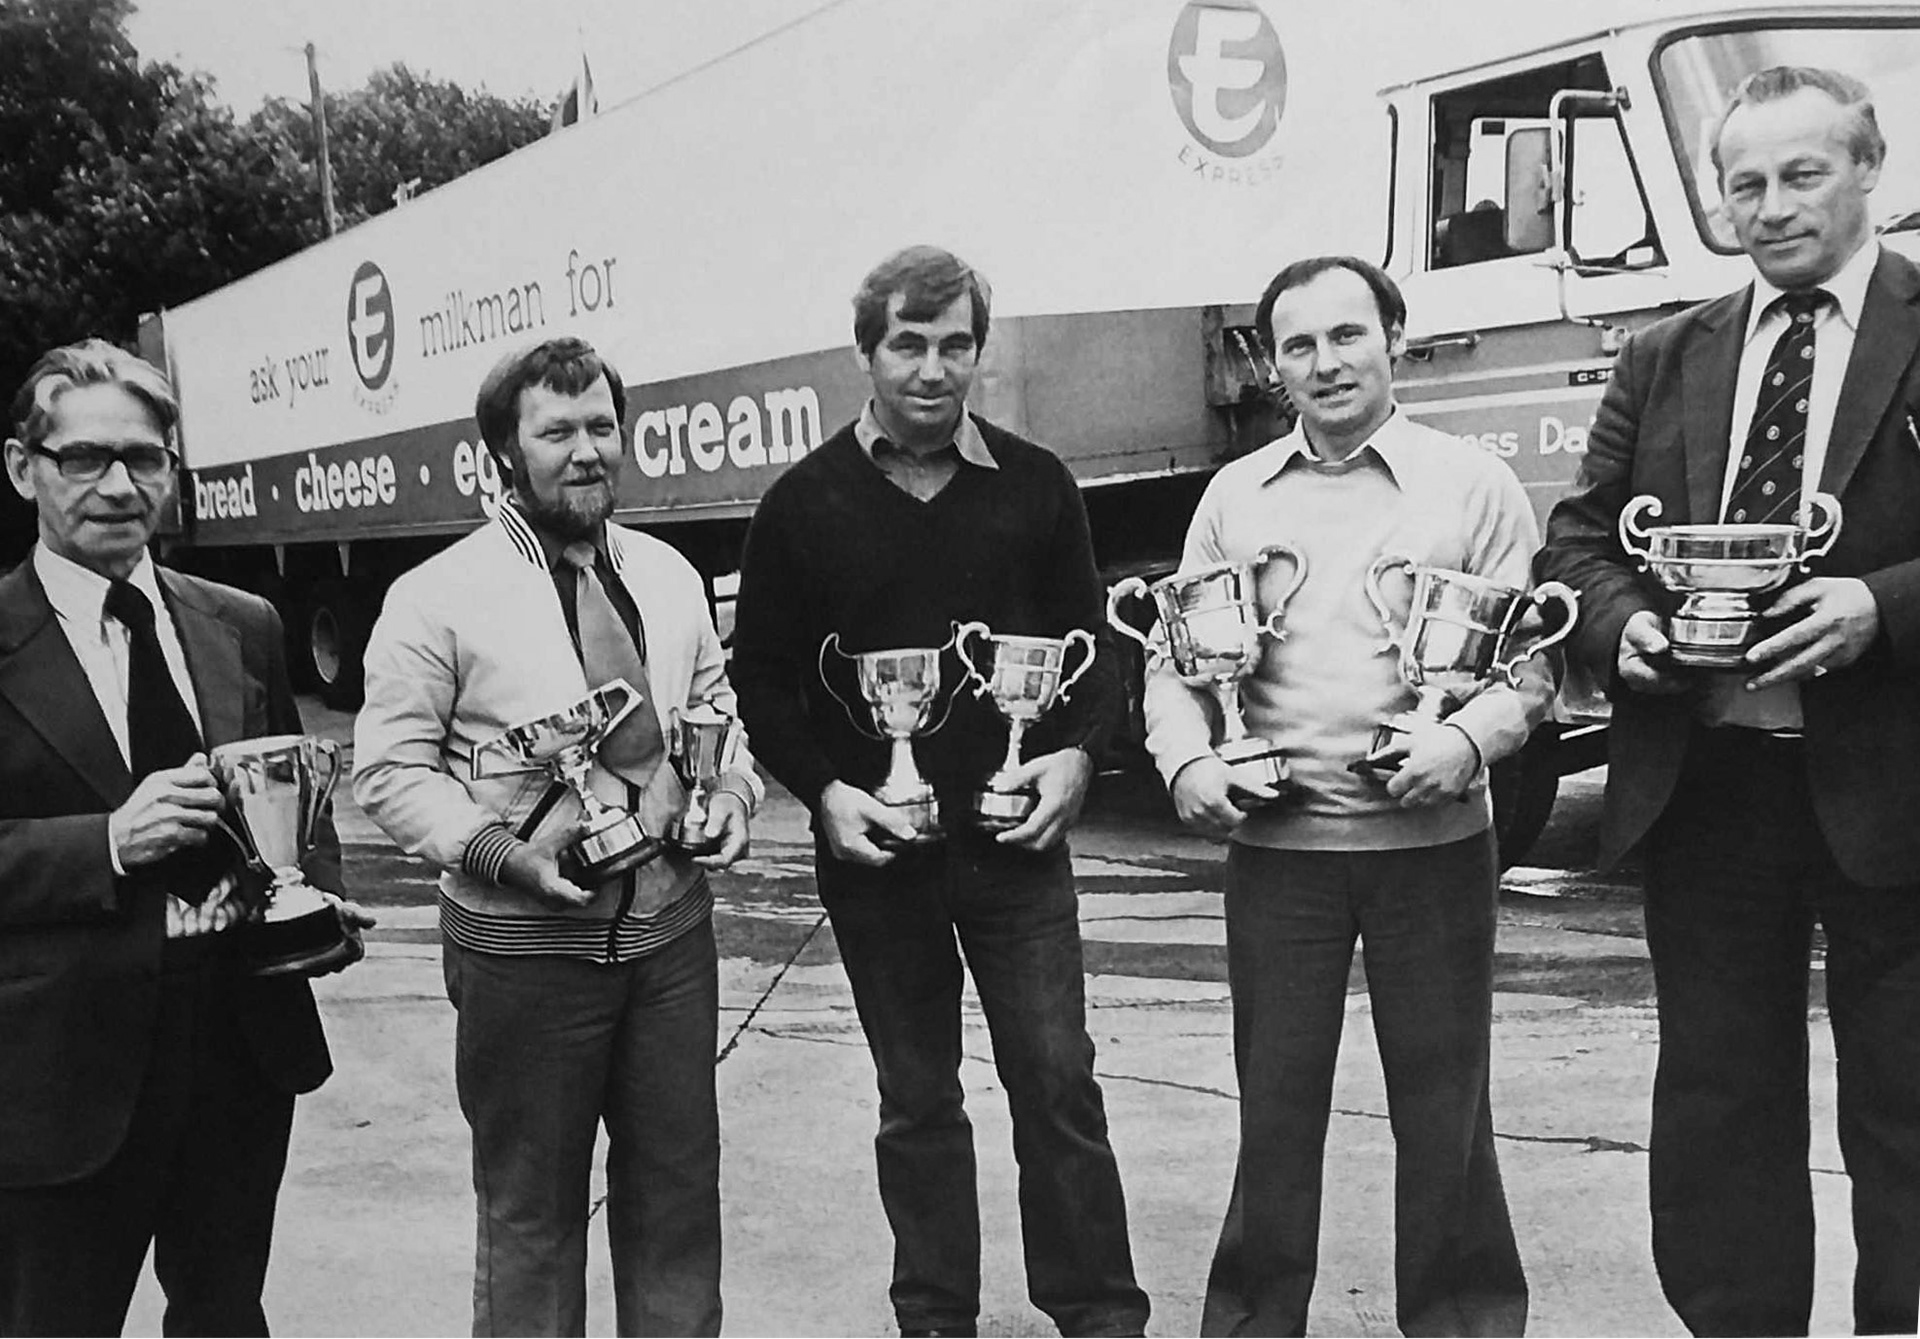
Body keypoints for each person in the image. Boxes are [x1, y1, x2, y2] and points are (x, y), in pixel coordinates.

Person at [1538, 65, 1920, 1335]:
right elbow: (1581, 541)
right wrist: (1626, 626)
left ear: (1871, 168)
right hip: (1710, 791)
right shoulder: (1667, 354)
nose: (1769, 206)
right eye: (1743, 182)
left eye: (1801, 174)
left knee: (1908, 1099)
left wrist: (1884, 605)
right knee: (1718, 1105)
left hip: (1899, 785)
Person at [730, 245, 1150, 1339]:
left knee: (1058, 1084)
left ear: (979, 350)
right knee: (917, 1100)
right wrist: (825, 791)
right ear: (865, 350)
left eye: (954, 343)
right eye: (907, 344)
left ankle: (1099, 1312)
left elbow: (1091, 647)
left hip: (1016, 848)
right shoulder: (801, 504)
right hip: (881, 857)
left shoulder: (1037, 484)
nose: (931, 368)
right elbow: (763, 678)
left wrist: (1071, 758)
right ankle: (935, 1318)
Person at [1145, 255, 1546, 1336]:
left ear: (1395, 338)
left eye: (1346, 335)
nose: (1325, 362)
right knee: (1274, 1117)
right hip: (1283, 860)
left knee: (1447, 1118)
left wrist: (1466, 741)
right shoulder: (1236, 496)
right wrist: (1189, 762)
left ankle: (1462, 1323)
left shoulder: (1472, 485)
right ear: (1274, 367)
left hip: (1435, 850)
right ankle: (1252, 1323)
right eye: (1299, 345)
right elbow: (1177, 658)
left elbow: (1533, 664)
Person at [353, 336, 760, 1337]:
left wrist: (733, 798)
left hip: (670, 944)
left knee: (676, 1200)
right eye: (557, 430)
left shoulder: (667, 576)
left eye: (602, 426)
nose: (587, 451)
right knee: (531, 1217)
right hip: (524, 957)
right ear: (503, 447)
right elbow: (390, 770)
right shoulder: (435, 596)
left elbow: (716, 712)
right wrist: (498, 852)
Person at [0, 339, 362, 1334]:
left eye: (146, 457)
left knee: (224, 1313)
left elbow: (295, 796)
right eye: (85, 458)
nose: (120, 484)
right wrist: (108, 840)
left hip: (240, 1054)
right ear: (23, 466)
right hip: (62, 1071)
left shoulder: (242, 622)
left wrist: (317, 896)